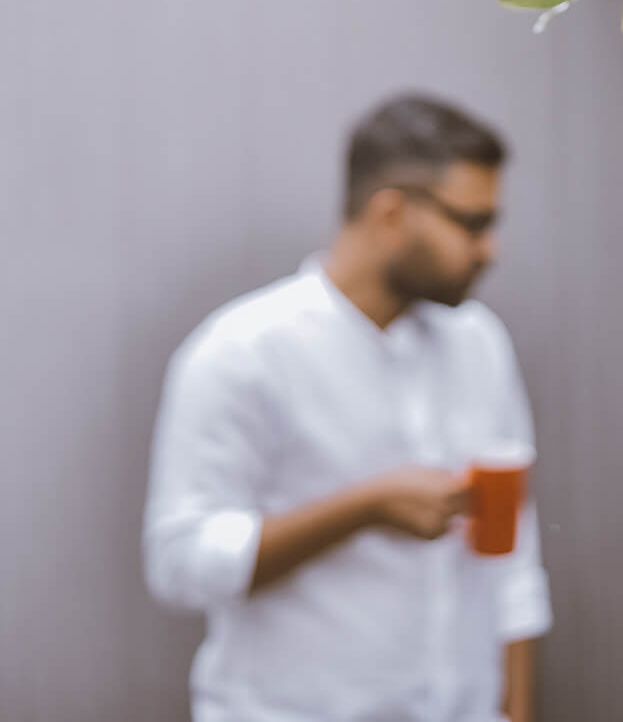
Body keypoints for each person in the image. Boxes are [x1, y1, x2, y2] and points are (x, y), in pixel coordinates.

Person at [143, 93, 551, 722]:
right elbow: (179, 563)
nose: (488, 249)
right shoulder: (243, 353)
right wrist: (363, 508)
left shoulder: (480, 344)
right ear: (390, 214)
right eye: (471, 224)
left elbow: (514, 563)